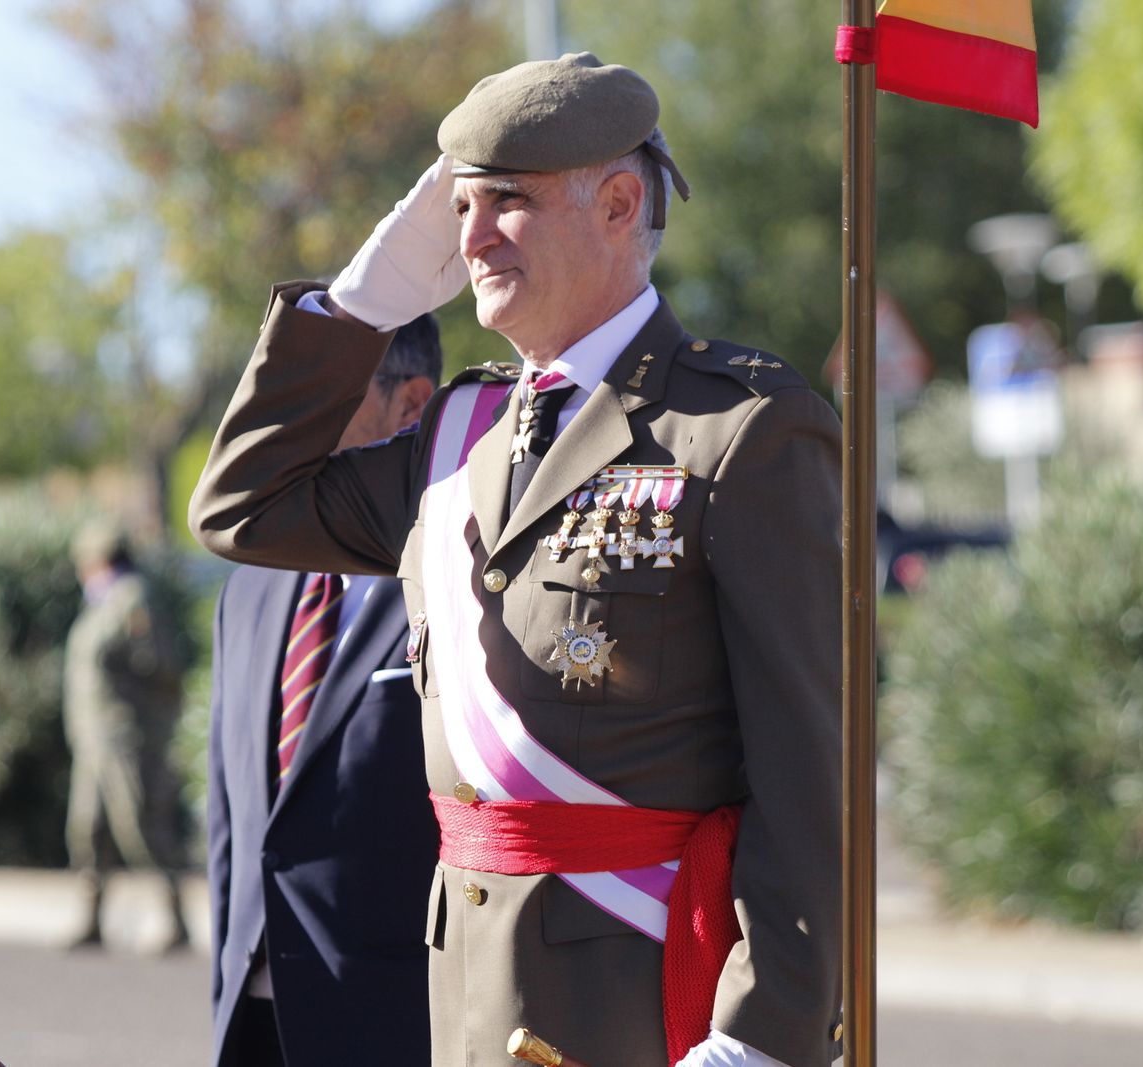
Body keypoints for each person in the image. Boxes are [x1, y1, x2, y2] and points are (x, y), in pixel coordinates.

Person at [190, 52, 843, 1067]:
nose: (473, 236)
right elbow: (243, 506)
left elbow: (809, 773)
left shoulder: (737, 429)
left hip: (641, 996)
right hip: (462, 1001)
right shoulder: (460, 433)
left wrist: (759, 1038)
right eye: (459, 207)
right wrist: (361, 302)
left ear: (620, 202)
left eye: (509, 201)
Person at [208, 315, 443, 1067]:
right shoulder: (247, 588)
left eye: (324, 395)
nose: (290, 422)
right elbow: (231, 825)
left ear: (411, 404)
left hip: (395, 1021)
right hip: (250, 1023)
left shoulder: (460, 576)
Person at [63, 520, 188, 951]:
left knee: (139, 826)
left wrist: (150, 724)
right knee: (88, 829)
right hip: (93, 740)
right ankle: (92, 919)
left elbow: (161, 666)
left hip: (125, 737)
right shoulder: (102, 602)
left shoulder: (132, 598)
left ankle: (173, 920)